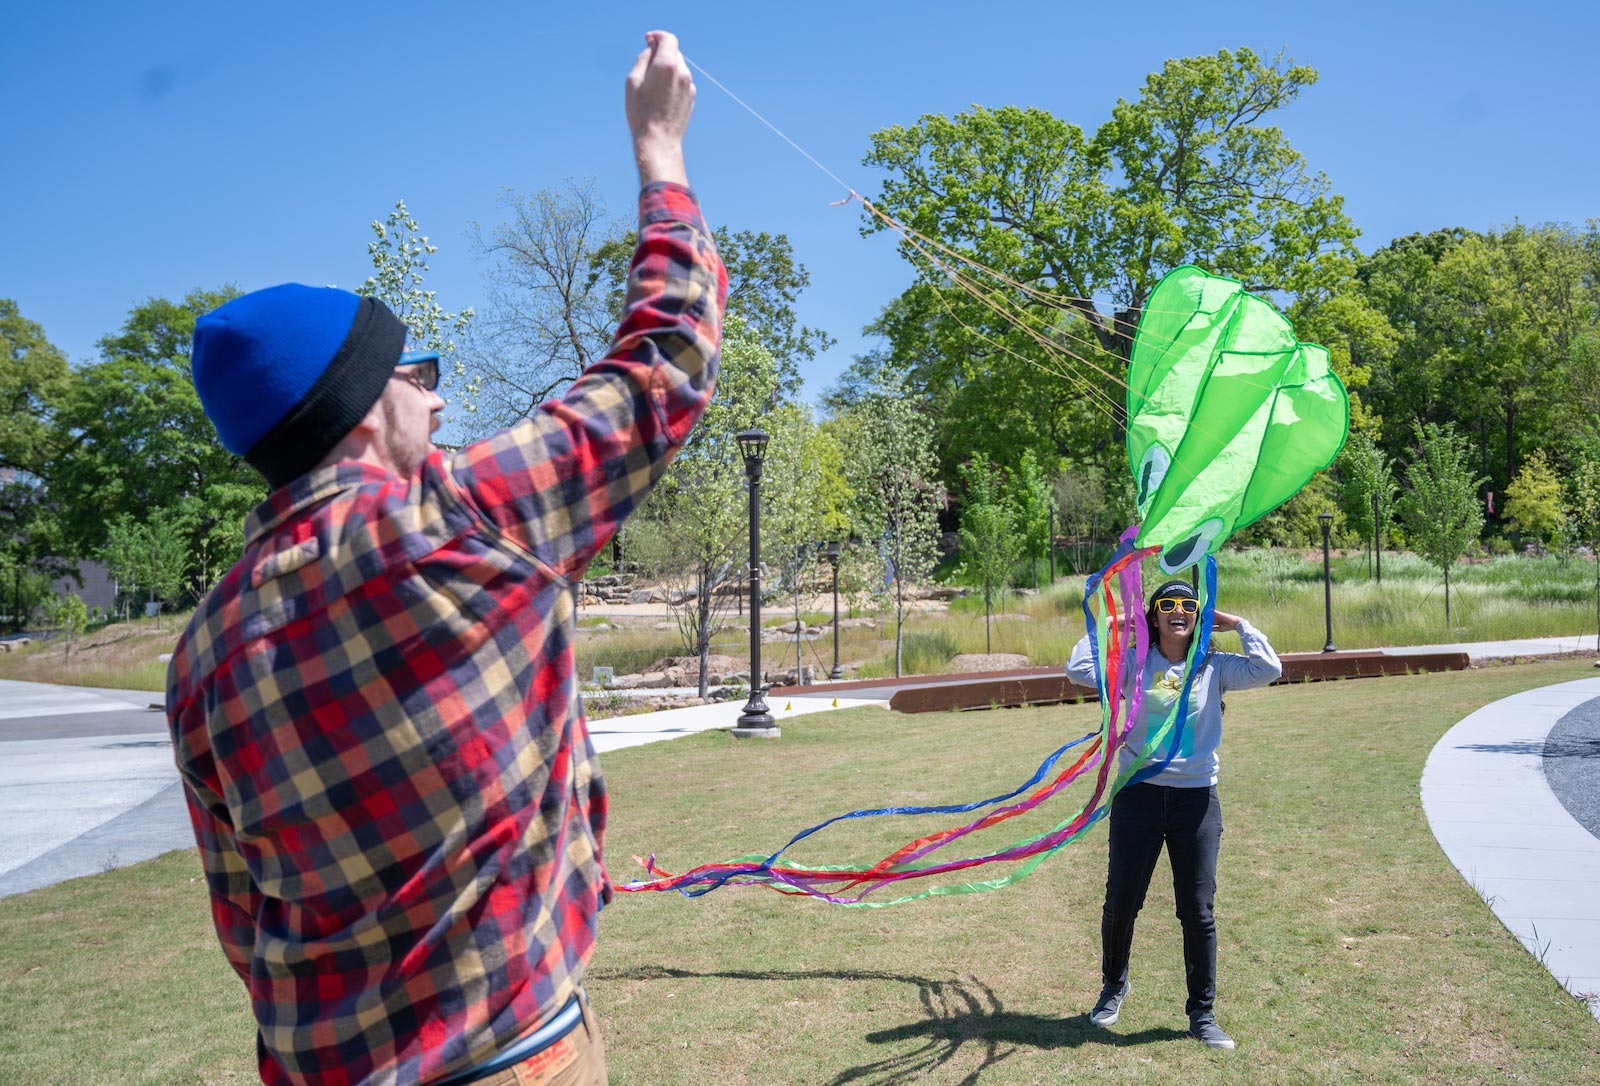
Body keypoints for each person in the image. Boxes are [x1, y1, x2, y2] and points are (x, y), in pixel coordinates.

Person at [165, 31, 724, 1086]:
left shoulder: (200, 653)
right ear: (366, 409)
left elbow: (242, 917)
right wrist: (660, 150)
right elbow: (666, 356)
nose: (437, 395)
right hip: (511, 1057)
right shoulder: (459, 518)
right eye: (417, 372)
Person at [1064, 577, 1281, 1051]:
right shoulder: (1134, 664)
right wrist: (1115, 622)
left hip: (1196, 800)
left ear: (1198, 616)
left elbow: (1269, 668)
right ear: (1155, 616)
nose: (1178, 611)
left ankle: (1202, 1015)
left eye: (1188, 605)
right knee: (1121, 902)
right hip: (1138, 797)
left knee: (1197, 911)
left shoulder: (1214, 666)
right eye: (1167, 605)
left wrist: (1238, 623)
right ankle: (1112, 988)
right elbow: (1079, 669)